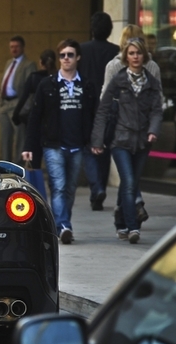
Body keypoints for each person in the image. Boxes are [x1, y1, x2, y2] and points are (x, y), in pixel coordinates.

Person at [24, 39, 98, 244]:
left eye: (70, 55)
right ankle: (63, 226)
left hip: (77, 145)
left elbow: (94, 115)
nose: (66, 58)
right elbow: (35, 116)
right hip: (53, 145)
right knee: (58, 185)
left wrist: (95, 140)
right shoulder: (47, 84)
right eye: (63, 55)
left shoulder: (87, 85)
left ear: (78, 58)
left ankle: (63, 222)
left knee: (70, 189)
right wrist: (29, 147)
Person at [90, 39, 162, 244]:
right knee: (129, 182)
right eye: (131, 53)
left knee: (130, 183)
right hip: (120, 140)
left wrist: (153, 130)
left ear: (144, 56)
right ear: (126, 57)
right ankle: (133, 227)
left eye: (139, 53)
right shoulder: (118, 80)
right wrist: (97, 139)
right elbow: (103, 110)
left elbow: (157, 110)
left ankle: (120, 221)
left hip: (142, 141)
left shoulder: (152, 82)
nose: (135, 57)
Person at [78, 12, 121, 211]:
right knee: (104, 150)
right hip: (110, 105)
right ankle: (99, 189)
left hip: (87, 105)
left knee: (88, 148)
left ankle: (97, 189)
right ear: (110, 30)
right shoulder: (116, 51)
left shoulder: (83, 50)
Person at [12, 49, 57, 169]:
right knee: (54, 161)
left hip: (36, 122)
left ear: (40, 62)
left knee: (35, 158)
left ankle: (37, 181)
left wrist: (16, 115)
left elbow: (24, 98)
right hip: (53, 124)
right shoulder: (58, 78)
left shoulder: (34, 78)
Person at [0, 36, 36, 164]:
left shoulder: (28, 64)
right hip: (5, 104)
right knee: (5, 139)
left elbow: (31, 89)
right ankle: (5, 166)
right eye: (11, 47)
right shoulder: (8, 62)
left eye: (16, 47)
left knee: (20, 138)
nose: (14, 49)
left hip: (18, 104)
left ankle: (18, 167)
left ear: (22, 48)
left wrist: (24, 108)